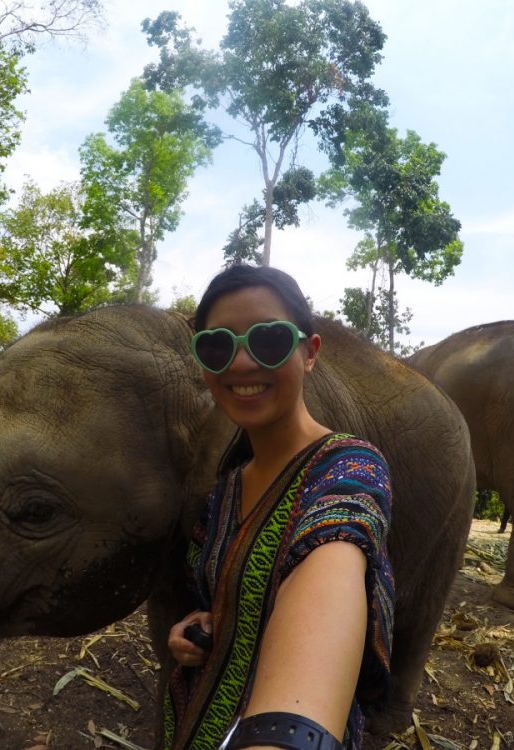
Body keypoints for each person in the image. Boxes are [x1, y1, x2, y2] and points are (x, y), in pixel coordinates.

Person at [164, 265, 394, 750]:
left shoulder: (349, 469)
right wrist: (200, 625)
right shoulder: (224, 491)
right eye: (217, 346)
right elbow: (226, 595)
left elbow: (332, 556)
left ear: (309, 353)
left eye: (268, 341)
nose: (242, 363)